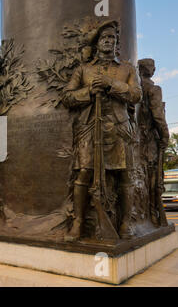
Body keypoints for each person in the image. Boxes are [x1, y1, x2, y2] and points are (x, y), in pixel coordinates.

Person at [62, 21, 143, 241]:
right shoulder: (84, 69)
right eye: (104, 38)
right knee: (84, 173)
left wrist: (111, 84)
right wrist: (89, 91)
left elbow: (136, 95)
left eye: (112, 38)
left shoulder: (127, 69)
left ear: (116, 43)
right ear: (97, 43)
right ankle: (78, 222)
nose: (108, 41)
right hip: (91, 128)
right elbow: (67, 97)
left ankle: (126, 222)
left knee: (124, 175)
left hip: (119, 128)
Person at [138, 58, 170, 227]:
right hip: (149, 139)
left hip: (134, 139)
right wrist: (165, 136)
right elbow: (158, 116)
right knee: (153, 178)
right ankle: (152, 215)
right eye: (151, 66)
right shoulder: (153, 89)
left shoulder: (134, 86)